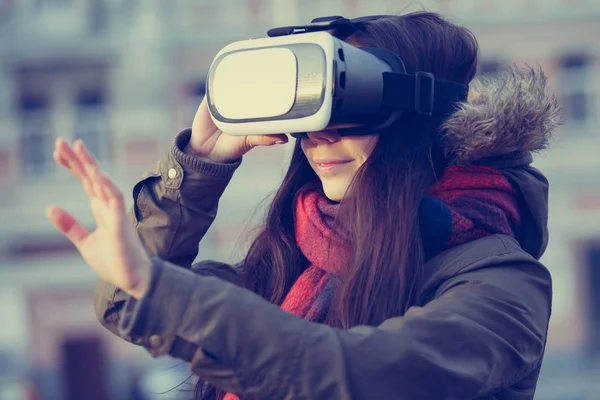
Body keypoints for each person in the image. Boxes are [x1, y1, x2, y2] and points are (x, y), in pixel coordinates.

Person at [47, 11, 559, 400]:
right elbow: (127, 301)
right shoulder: (289, 266)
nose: (320, 135)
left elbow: (356, 376)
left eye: (353, 104)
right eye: (314, 107)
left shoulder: (502, 282)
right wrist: (200, 164)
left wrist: (157, 286)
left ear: (418, 119)